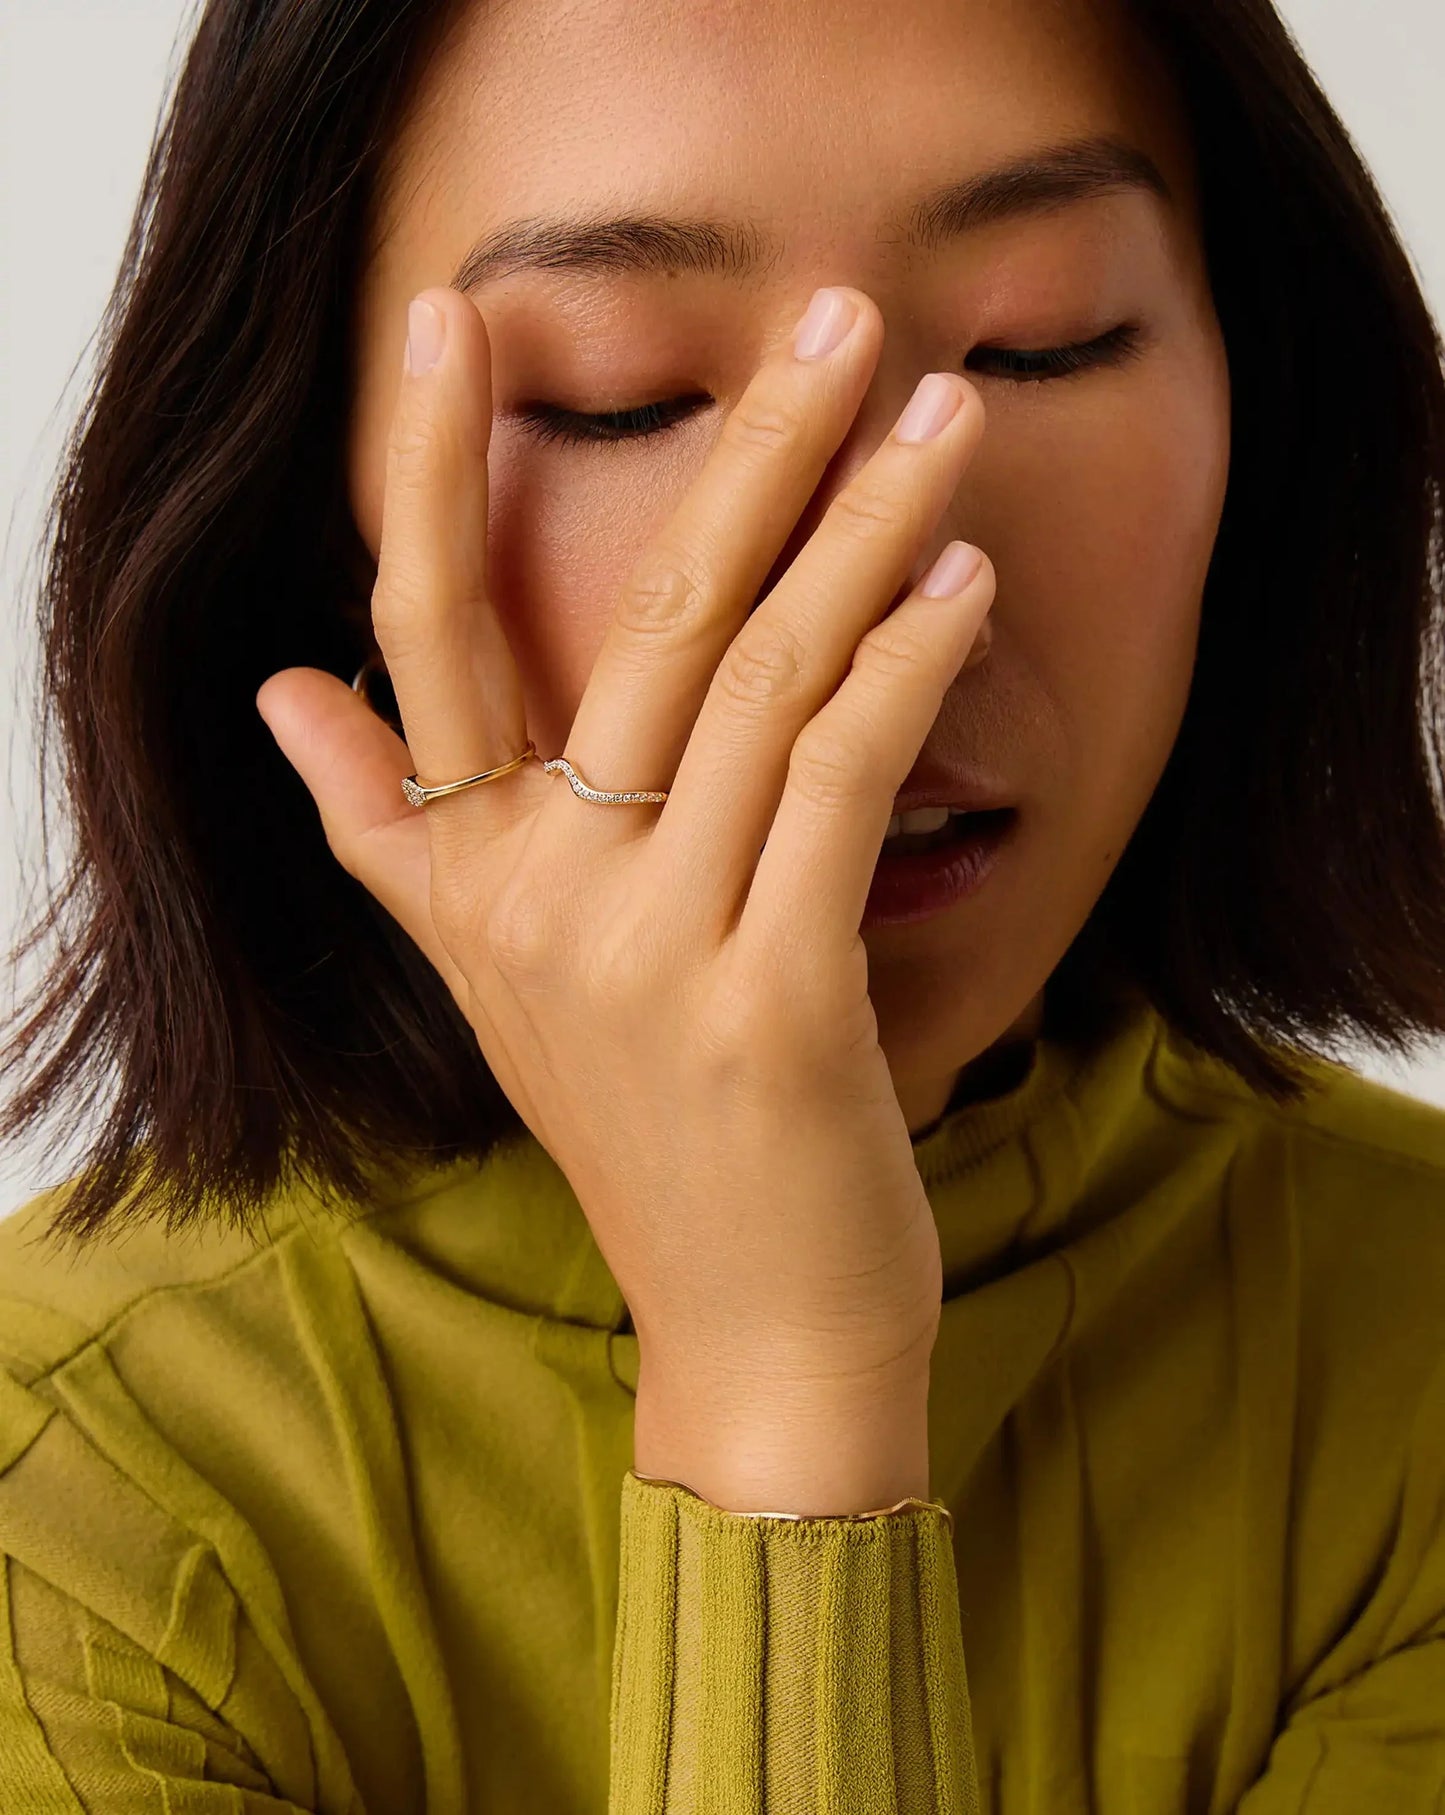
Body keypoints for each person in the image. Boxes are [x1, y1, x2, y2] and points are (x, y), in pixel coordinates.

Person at [1, 0, 1442, 1806]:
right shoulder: (56, 1487)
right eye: (627, 396)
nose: (868, 593)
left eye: (1042, 344)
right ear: (316, 500)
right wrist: (778, 1388)